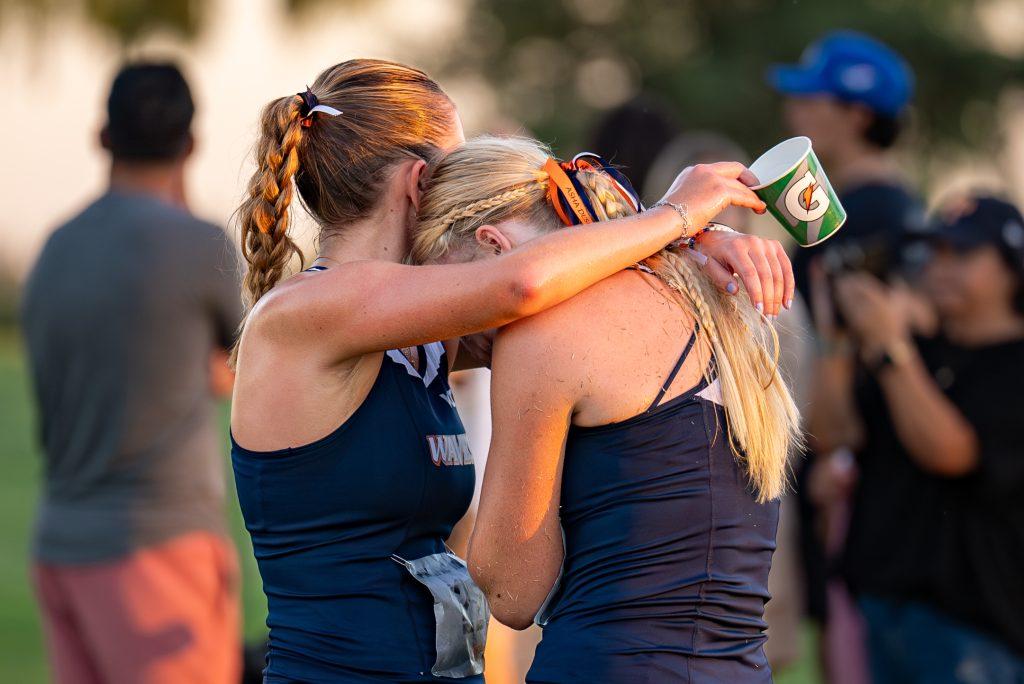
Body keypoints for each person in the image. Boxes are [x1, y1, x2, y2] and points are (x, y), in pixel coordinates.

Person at [228, 59, 792, 683]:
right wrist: (675, 216)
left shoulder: (417, 334)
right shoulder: (304, 312)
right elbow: (521, 285)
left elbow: (568, 322)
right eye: (457, 162)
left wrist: (687, 255)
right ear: (419, 182)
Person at [411, 135, 802, 682]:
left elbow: (511, 591)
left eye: (444, 291)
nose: (441, 330)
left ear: (494, 248)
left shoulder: (545, 333)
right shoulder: (710, 295)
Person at [21, 63, 243, 683]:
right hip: (155, 550)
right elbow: (249, 367)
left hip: (61, 545)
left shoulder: (55, 247)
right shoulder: (199, 245)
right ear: (191, 145)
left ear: (103, 138)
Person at [811, 195, 1024, 683]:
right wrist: (836, 338)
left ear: (1013, 267)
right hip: (882, 611)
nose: (940, 267)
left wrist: (889, 345)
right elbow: (833, 434)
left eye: (963, 254)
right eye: (935, 251)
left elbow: (951, 453)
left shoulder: (1012, 363)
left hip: (974, 630)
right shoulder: (920, 350)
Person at [767, 30, 926, 298]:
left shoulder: (866, 213)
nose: (792, 110)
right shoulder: (898, 202)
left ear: (858, 116)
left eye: (809, 100)